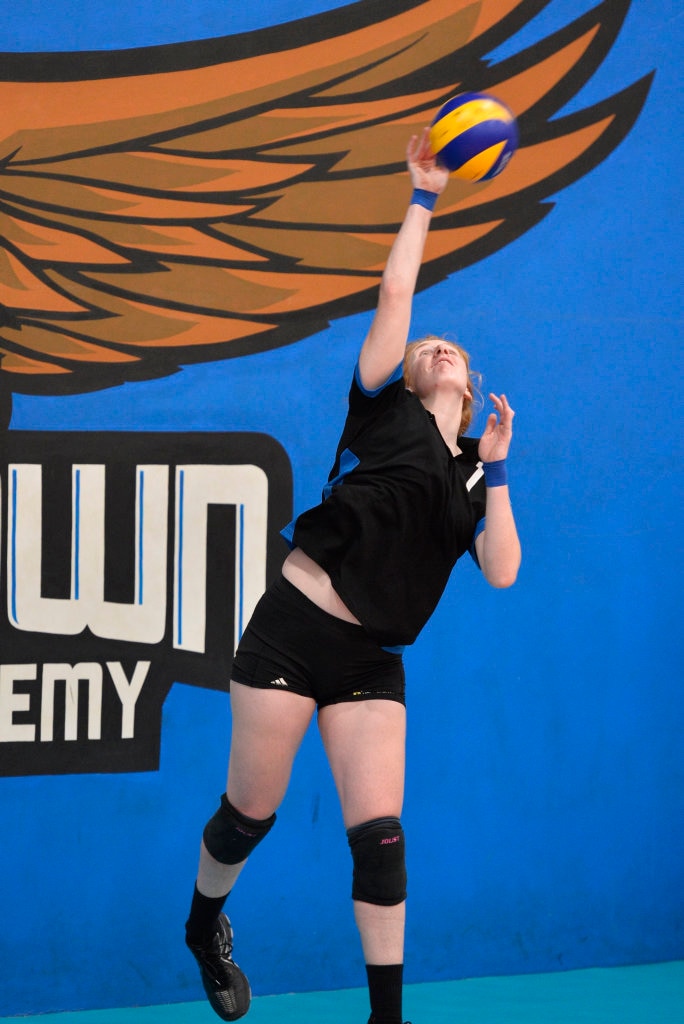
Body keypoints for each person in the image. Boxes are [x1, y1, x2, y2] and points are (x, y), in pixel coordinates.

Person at [184, 128, 522, 1024]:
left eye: (454, 349)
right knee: (248, 816)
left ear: (470, 379)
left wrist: (500, 473)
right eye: (429, 348)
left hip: (372, 661)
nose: (440, 349)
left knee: (381, 844)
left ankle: (386, 1020)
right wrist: (424, 196)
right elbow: (399, 293)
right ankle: (204, 922)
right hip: (293, 630)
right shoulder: (382, 408)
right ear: (408, 375)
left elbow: (501, 570)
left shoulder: (471, 476)